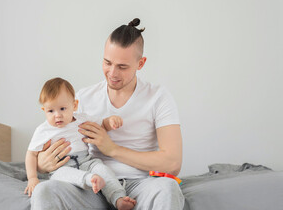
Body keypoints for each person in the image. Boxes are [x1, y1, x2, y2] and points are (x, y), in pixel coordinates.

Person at [31, 18, 184, 210]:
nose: (112, 73)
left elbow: (172, 163)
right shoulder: (82, 98)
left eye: (122, 67)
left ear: (141, 63)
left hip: (141, 185)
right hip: (94, 185)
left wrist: (112, 149)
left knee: (168, 188)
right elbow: (47, 141)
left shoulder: (158, 97)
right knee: (44, 191)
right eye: (107, 62)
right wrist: (42, 164)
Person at [25, 77, 136, 210]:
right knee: (62, 174)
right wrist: (32, 178)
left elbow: (101, 124)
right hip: (61, 167)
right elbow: (31, 154)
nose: (57, 115)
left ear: (74, 105)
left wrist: (111, 121)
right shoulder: (43, 130)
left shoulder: (81, 119)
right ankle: (90, 180)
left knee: (103, 170)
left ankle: (118, 198)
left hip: (87, 162)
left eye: (62, 108)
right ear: (44, 110)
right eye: (51, 111)